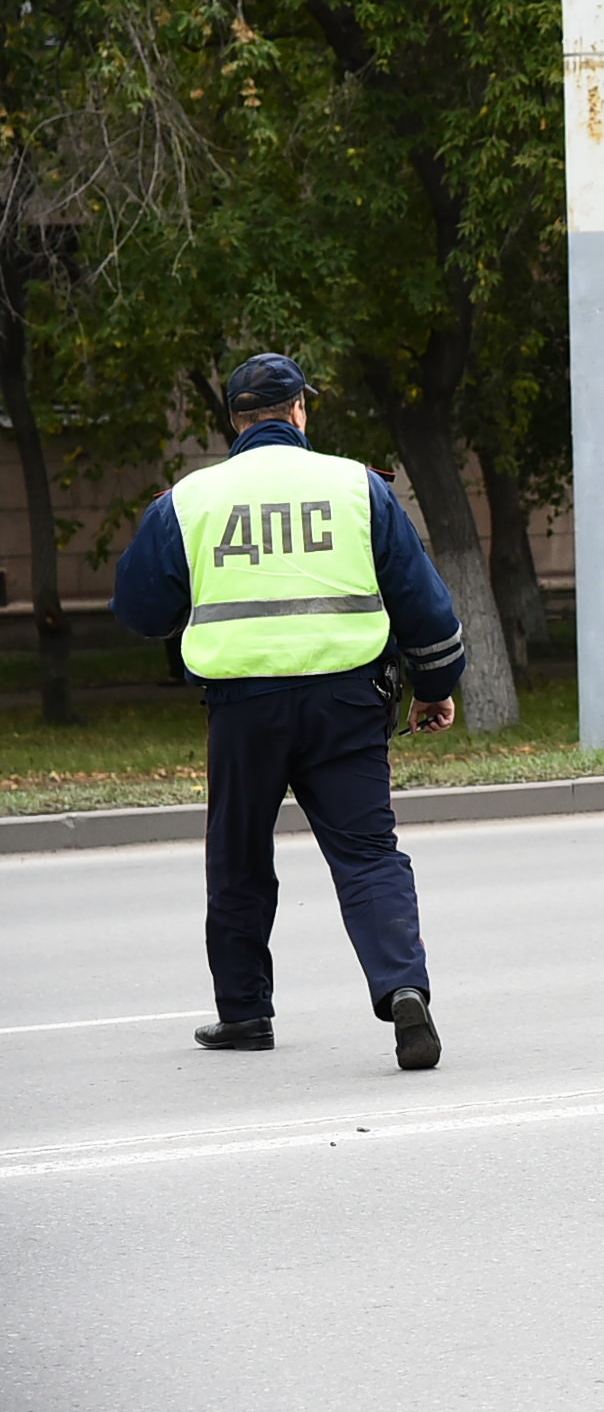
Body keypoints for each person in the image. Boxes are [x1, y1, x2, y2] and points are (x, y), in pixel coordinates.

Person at [111, 354, 467, 1071]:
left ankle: (245, 1016)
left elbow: (138, 609)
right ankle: (402, 990)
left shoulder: (192, 499)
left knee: (238, 858)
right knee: (367, 855)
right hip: (346, 702)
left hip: (243, 710)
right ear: (300, 410)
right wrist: (436, 683)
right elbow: (424, 605)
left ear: (236, 418)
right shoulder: (358, 487)